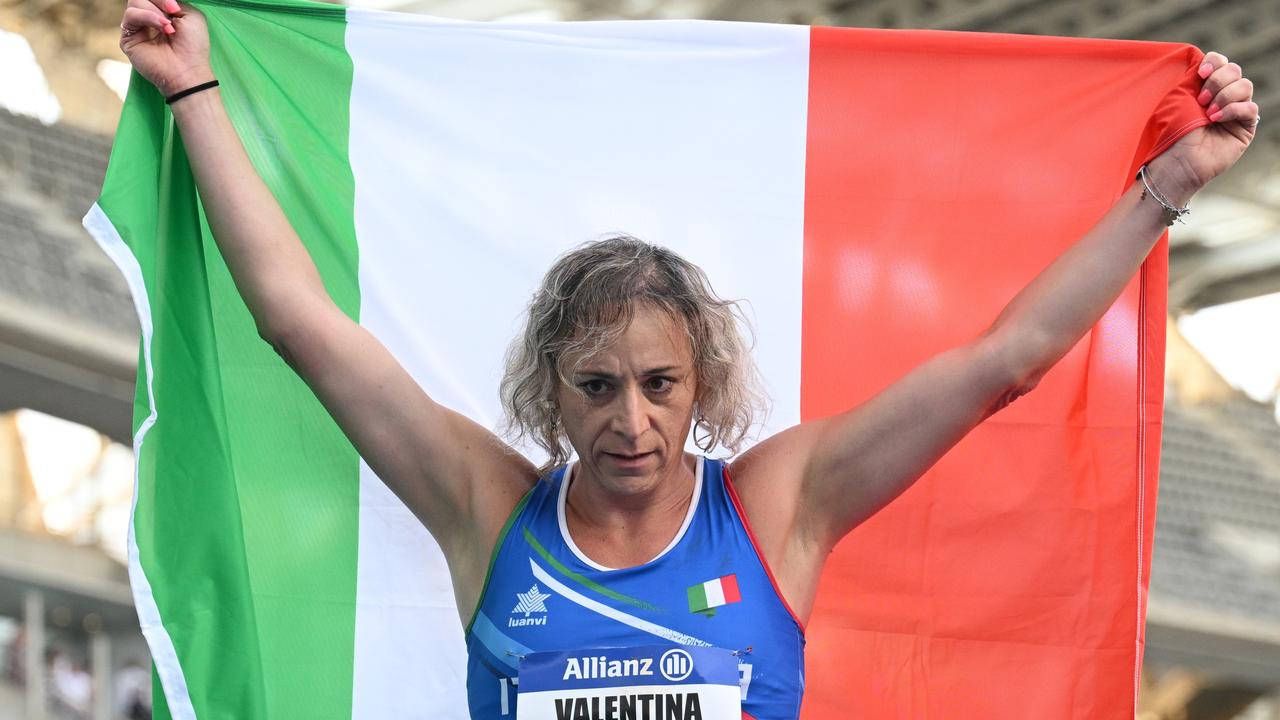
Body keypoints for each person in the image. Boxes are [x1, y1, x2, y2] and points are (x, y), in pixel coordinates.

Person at [117, 2, 1258, 717]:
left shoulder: (778, 505)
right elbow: (298, 323)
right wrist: (197, 91)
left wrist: (1168, 186)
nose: (630, 421)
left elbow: (1005, 359)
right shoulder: (485, 509)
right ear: (549, 396)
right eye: (597, 387)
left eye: (660, 386)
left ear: (699, 387)